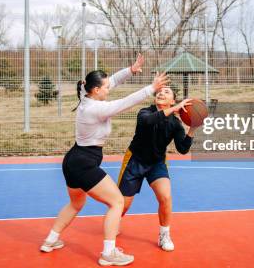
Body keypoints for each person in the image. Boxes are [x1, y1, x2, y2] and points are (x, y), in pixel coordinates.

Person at [40, 53, 170, 266]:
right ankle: (108, 253)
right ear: (96, 90)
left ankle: (50, 240)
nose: (109, 89)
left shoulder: (86, 94)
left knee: (75, 204)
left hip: (72, 160)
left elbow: (112, 81)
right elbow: (124, 103)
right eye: (106, 88)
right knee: (117, 202)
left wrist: (130, 70)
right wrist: (151, 88)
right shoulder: (96, 109)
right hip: (84, 164)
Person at [118, 86, 194, 252]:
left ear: (173, 100)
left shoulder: (175, 123)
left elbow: (182, 148)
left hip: (157, 163)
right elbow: (148, 121)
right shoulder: (145, 112)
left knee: (166, 197)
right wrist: (174, 109)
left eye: (167, 92)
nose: (161, 93)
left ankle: (164, 235)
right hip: (135, 161)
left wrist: (193, 129)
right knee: (122, 206)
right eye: (160, 91)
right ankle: (114, 222)